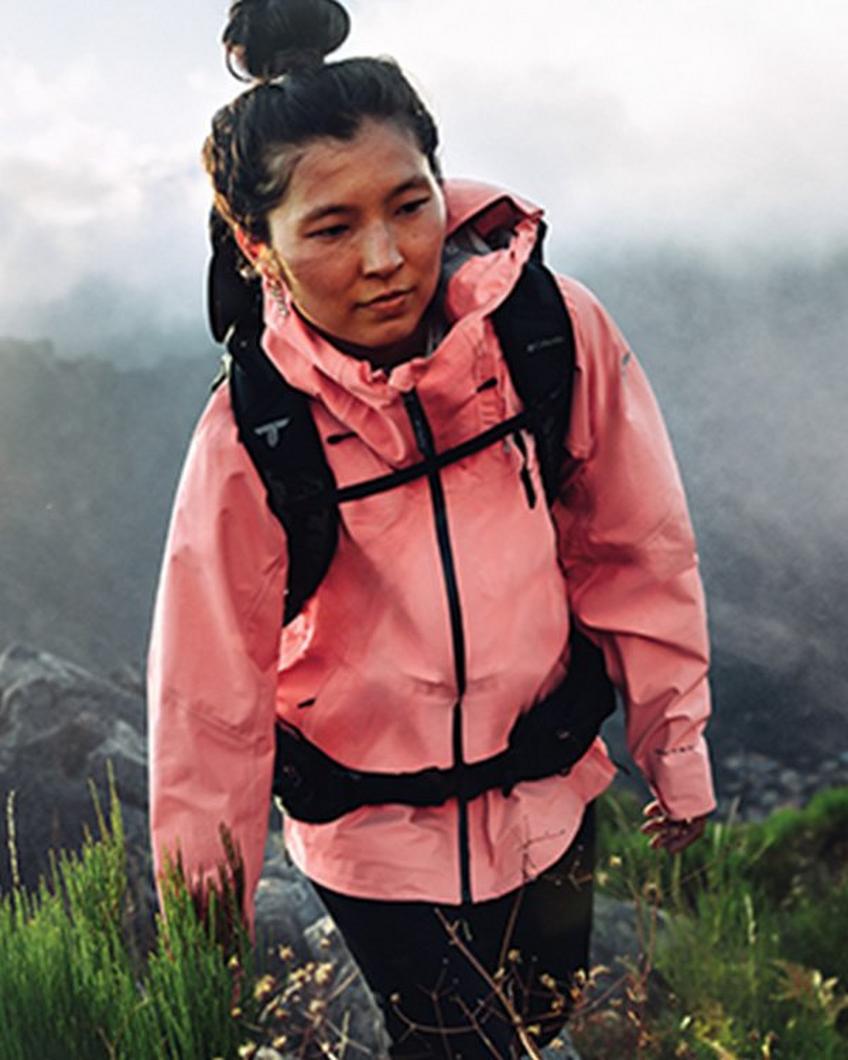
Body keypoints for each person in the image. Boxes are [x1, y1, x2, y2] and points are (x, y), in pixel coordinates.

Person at [147, 1, 717, 1055]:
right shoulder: (253, 432)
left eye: (407, 206)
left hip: (549, 789)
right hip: (371, 831)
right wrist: (207, 920)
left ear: (440, 190)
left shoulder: (547, 331)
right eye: (328, 227)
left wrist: (671, 743)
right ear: (253, 243)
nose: (384, 257)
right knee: (459, 1041)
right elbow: (207, 696)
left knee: (538, 1018)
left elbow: (634, 543)